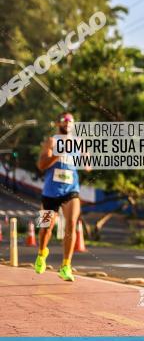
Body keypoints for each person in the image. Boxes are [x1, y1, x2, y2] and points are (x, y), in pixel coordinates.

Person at [35, 112, 81, 281]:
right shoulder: (51, 141)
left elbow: (87, 164)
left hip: (70, 190)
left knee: (71, 223)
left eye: (71, 120)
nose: (68, 122)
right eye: (64, 120)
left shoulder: (78, 143)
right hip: (50, 192)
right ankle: (41, 254)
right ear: (58, 124)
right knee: (45, 228)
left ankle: (66, 266)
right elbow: (41, 165)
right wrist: (58, 153)